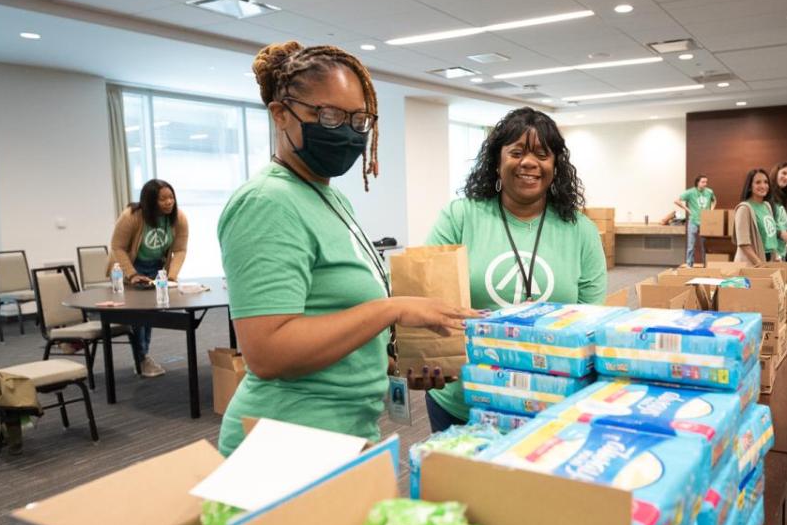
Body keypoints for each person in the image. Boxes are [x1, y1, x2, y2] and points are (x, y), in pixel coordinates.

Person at [216, 42, 476, 456]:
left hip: (345, 429)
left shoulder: (329, 198)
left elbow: (333, 318)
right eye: (329, 115)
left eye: (359, 119)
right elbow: (267, 352)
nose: (348, 131)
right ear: (281, 114)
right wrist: (391, 309)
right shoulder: (266, 202)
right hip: (286, 438)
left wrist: (397, 367)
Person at [425, 107, 607, 431]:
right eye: (517, 152)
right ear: (497, 161)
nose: (529, 162)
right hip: (464, 399)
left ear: (555, 167)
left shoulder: (580, 230)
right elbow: (428, 298)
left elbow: (589, 318)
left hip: (551, 400)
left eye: (542, 154)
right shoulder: (460, 216)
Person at [109, 179, 188, 377]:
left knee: (149, 316)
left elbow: (179, 250)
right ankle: (142, 358)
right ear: (150, 201)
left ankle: (142, 357)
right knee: (138, 317)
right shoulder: (132, 216)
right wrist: (133, 274)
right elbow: (117, 246)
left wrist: (171, 277)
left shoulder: (178, 218)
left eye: (171, 197)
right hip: (132, 268)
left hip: (156, 269)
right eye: (163, 199)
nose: (169, 202)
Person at [732, 168, 778, 266]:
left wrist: (775, 257)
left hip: (768, 261)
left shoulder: (767, 206)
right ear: (749, 187)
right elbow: (743, 243)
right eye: (758, 182)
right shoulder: (744, 209)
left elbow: (770, 236)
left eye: (766, 182)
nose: (763, 186)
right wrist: (759, 263)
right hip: (752, 264)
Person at [675, 175, 715, 266]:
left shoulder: (709, 192)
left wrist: (711, 210)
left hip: (705, 222)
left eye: (706, 182)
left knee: (705, 246)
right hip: (693, 221)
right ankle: (689, 265)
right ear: (698, 182)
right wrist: (688, 210)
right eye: (703, 182)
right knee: (691, 245)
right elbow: (677, 201)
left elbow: (714, 201)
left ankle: (706, 264)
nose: (705, 184)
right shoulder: (690, 192)